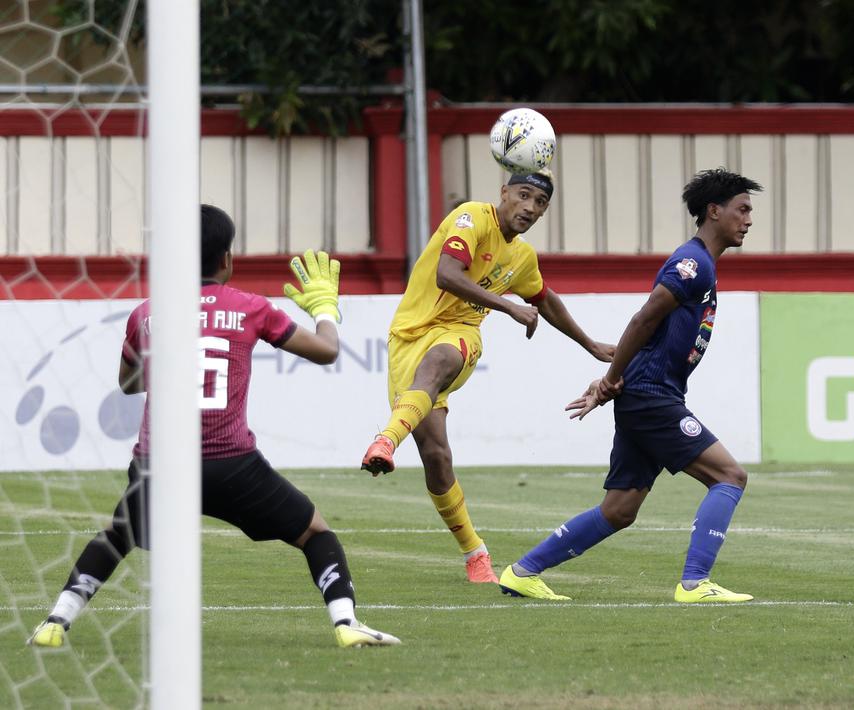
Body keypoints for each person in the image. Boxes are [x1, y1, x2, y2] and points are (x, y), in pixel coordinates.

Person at [28, 205, 400, 649]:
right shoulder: (251, 308)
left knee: (116, 536)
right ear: (227, 259)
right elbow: (325, 351)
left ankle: (55, 621)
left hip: (157, 464)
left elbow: (128, 385)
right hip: (230, 463)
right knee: (315, 532)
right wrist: (325, 309)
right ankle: (346, 624)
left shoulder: (146, 314)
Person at [497, 168, 762, 603]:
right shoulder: (692, 265)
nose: (749, 219)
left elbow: (650, 332)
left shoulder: (702, 265)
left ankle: (523, 571)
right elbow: (643, 319)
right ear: (714, 212)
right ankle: (695, 583)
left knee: (619, 511)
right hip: (651, 395)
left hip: (646, 392)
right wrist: (612, 378)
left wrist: (617, 379)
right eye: (742, 209)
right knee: (730, 476)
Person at [359, 170, 613, 583]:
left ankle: (386, 440)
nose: (530, 208)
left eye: (541, 203)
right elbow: (447, 274)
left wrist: (590, 345)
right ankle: (476, 552)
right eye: (524, 196)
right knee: (437, 458)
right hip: (407, 336)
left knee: (439, 362)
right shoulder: (472, 217)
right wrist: (508, 307)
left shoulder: (523, 258)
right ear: (504, 194)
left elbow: (544, 299)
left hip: (460, 335)